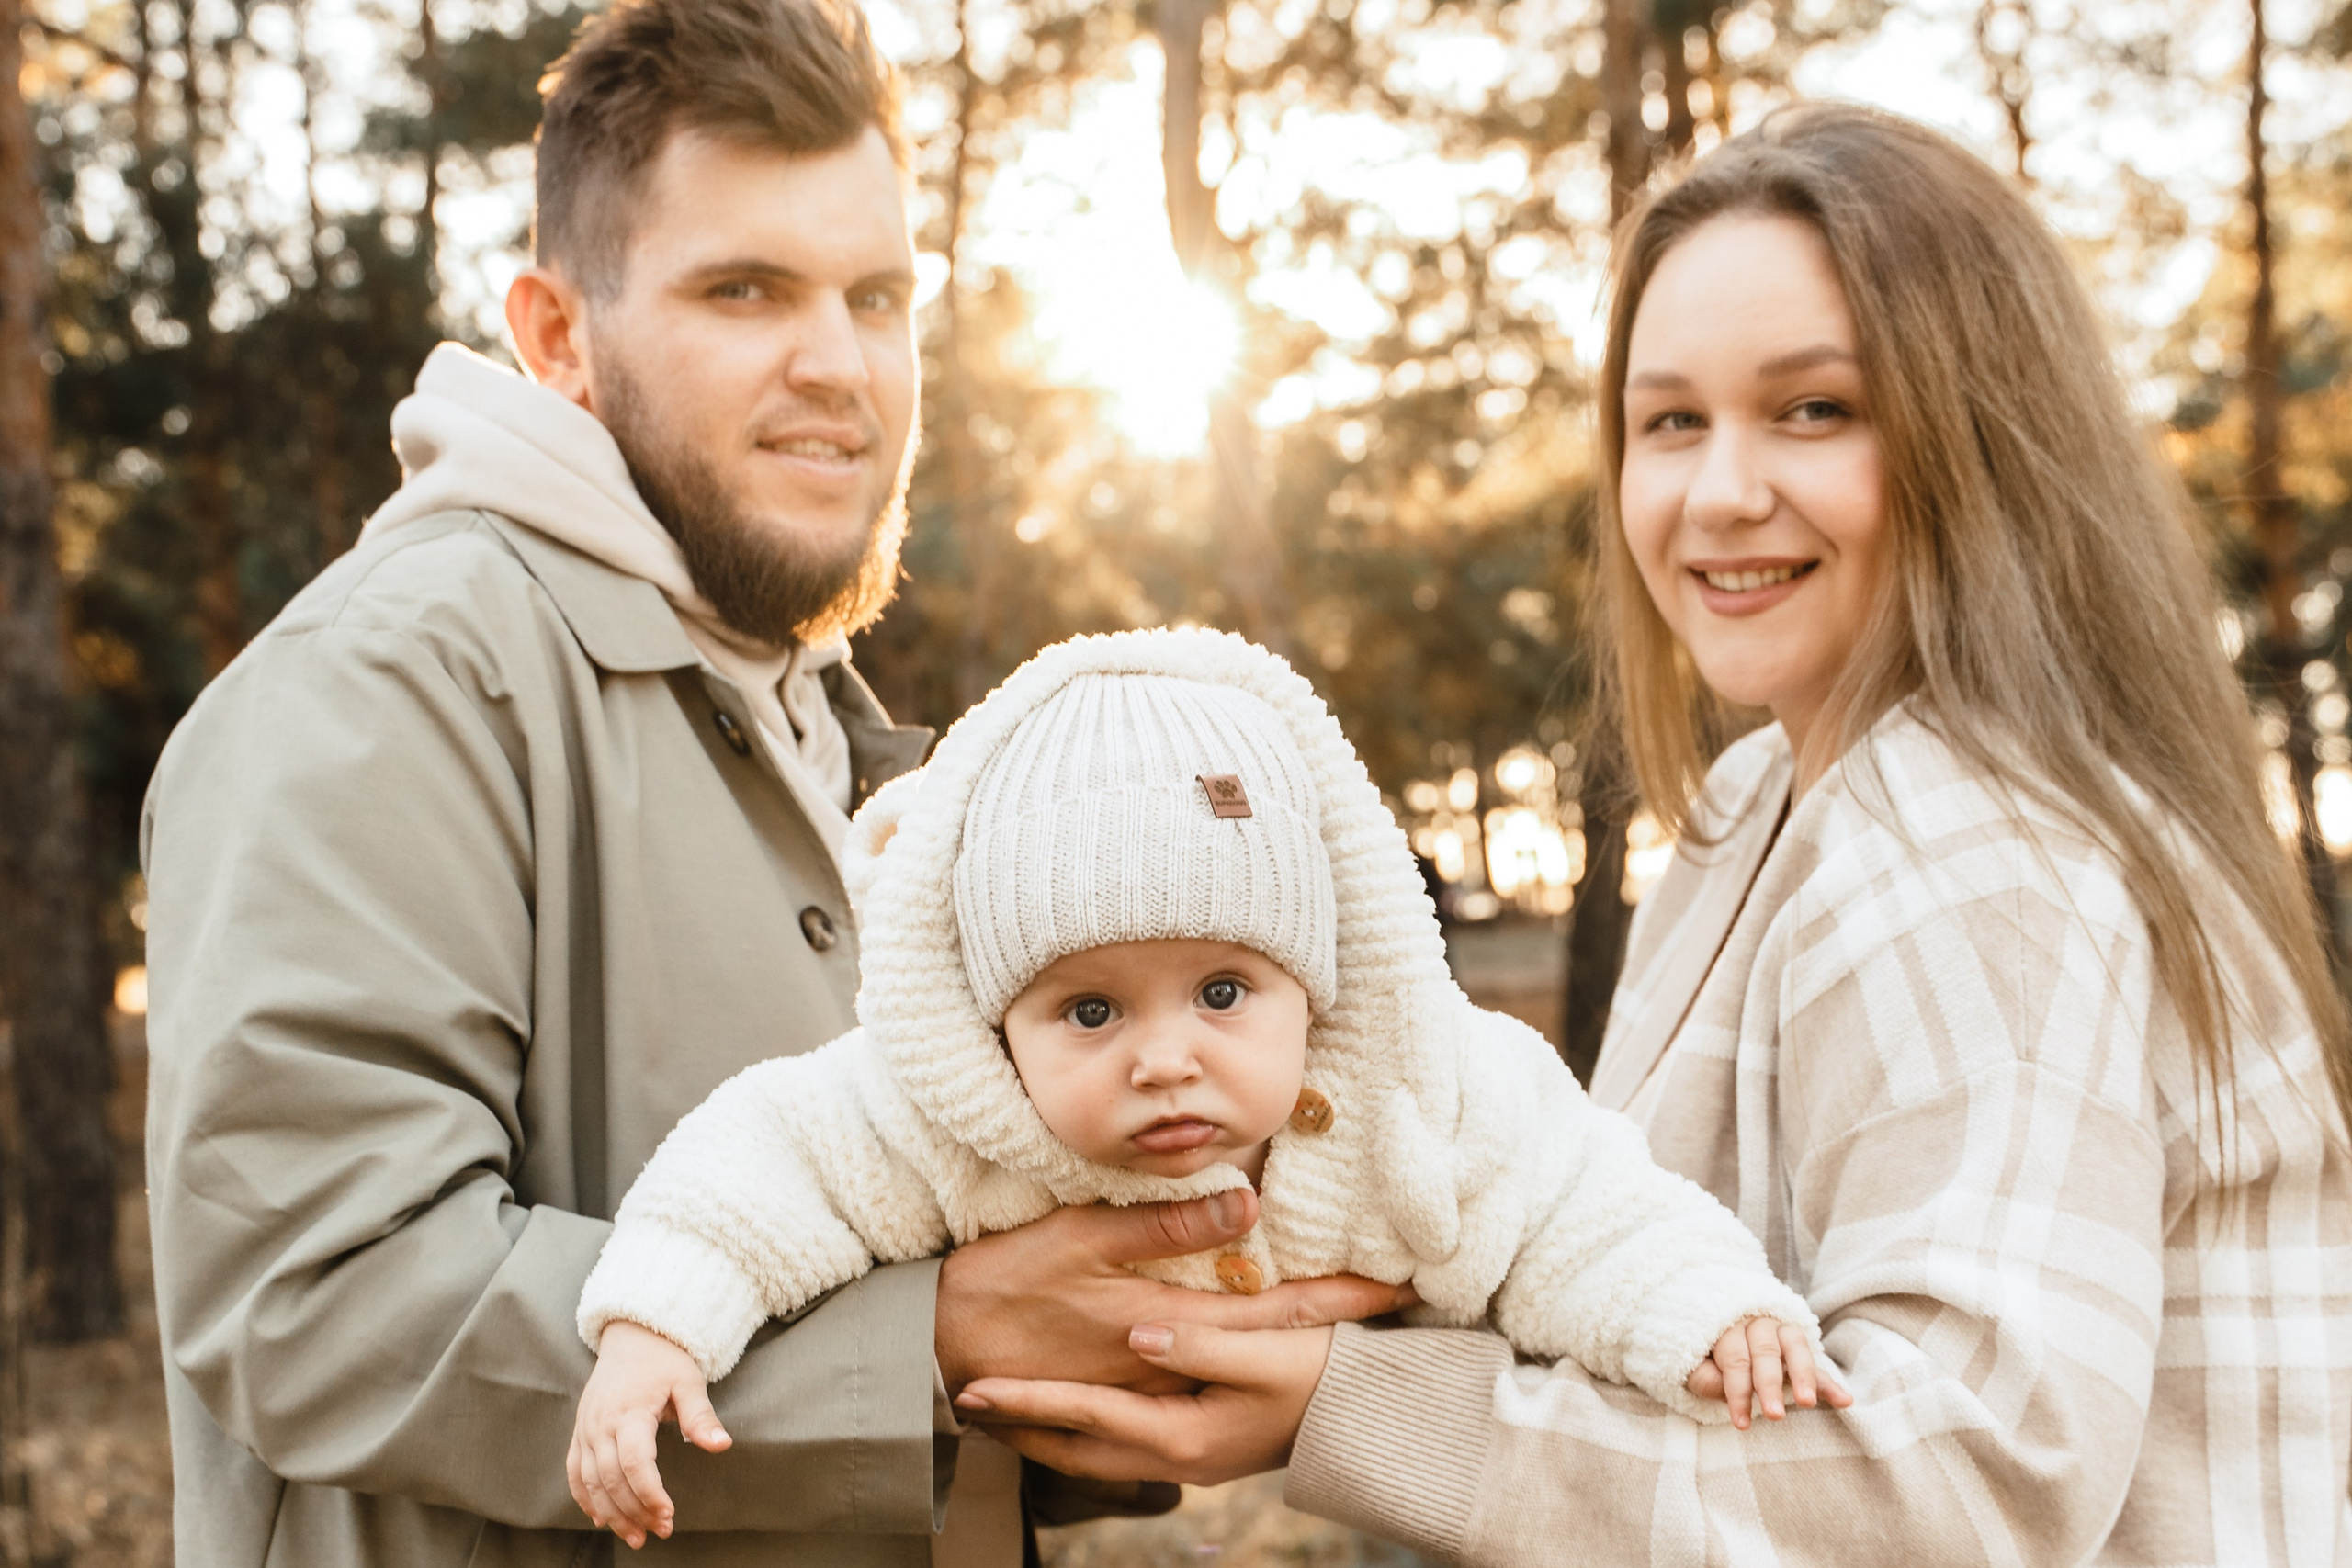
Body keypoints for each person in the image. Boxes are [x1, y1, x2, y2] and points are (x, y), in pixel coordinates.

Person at [946, 106, 2352, 1565]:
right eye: (1671, 420)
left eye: (1815, 409)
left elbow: (1965, 1491)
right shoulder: (1761, 807)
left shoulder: (1970, 844)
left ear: (1979, 436)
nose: (1719, 493)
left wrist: (1352, 1408)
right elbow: (1621, 1270)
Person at [138, 3, 1401, 1563]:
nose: (837, 365)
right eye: (745, 290)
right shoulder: (381, 686)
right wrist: (929, 1343)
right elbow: (312, 1303)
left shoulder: (841, 731)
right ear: (556, 340)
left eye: (878, 296)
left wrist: (1132, 1349)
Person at [561, 628, 1849, 1548]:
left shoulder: (1431, 1093)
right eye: (1089, 1009)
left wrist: (1711, 1310)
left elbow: (1586, 1210)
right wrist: (654, 1330)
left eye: (1223, 992)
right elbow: (760, 1164)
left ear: (1314, 981)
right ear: (997, 1023)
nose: (1164, 1055)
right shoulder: (943, 1117)